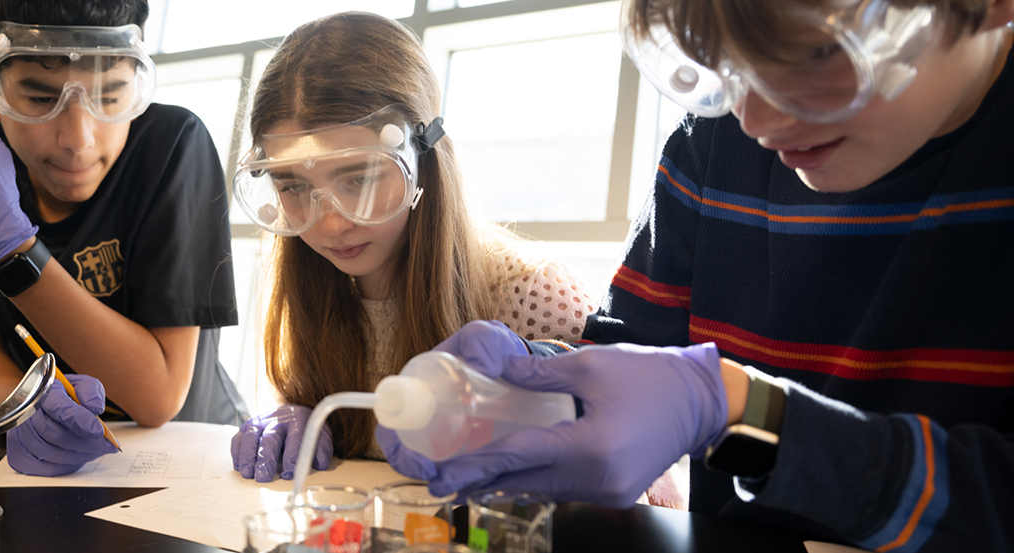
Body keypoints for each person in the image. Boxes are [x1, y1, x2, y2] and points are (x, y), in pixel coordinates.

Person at [381, 0, 1014, 550]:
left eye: (814, 54)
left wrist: (751, 414)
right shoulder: (715, 146)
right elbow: (637, 361)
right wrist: (520, 385)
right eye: (729, 65)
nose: (755, 121)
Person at [219, 11, 688, 502]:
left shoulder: (534, 295)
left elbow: (657, 491)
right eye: (293, 186)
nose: (330, 224)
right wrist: (301, 413)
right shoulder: (314, 292)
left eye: (360, 178)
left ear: (423, 160)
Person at [0, 0, 246, 477]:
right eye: (41, 100)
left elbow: (158, 395)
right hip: (48, 471)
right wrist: (23, 407)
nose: (78, 140)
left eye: (111, 97)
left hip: (195, 462)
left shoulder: (171, 145)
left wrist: (11, 253)